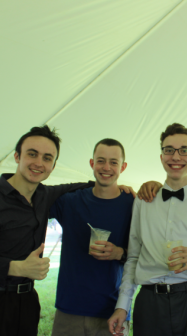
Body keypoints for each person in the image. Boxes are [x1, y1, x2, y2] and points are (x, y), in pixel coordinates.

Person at [0, 125, 97, 336]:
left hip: (27, 303)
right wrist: (20, 268)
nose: (38, 163)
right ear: (17, 156)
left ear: (53, 165)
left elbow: (85, 186)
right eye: (32, 154)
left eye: (47, 158)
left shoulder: (44, 195)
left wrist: (124, 189)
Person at [108, 123, 187, 336]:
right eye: (169, 150)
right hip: (150, 302)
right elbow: (133, 258)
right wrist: (122, 306)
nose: (176, 156)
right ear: (162, 156)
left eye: (184, 150)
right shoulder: (143, 201)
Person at [49, 138, 134, 336]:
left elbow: (147, 254)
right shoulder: (70, 201)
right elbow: (30, 199)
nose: (106, 167)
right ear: (91, 163)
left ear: (123, 167)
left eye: (114, 162)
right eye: (101, 161)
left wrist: (120, 253)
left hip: (113, 310)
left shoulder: (134, 204)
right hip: (69, 309)